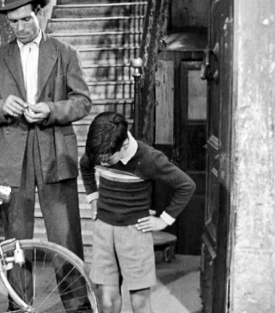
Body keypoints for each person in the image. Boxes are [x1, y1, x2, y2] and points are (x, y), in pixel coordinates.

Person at [0, 0, 92, 311]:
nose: (20, 28)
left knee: (66, 236)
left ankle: (77, 304)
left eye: (25, 20)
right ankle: (19, 304)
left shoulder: (64, 53)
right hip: (11, 158)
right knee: (15, 238)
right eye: (13, 22)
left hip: (54, 153)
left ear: (38, 13)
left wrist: (52, 110)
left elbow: (83, 102)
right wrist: (2, 107)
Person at [79, 112, 196, 313]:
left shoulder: (149, 158)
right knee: (107, 302)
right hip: (104, 232)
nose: (102, 162)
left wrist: (164, 220)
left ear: (124, 145)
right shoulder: (100, 150)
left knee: (139, 303)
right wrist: (93, 198)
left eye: (107, 159)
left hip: (134, 234)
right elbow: (85, 166)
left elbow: (186, 185)